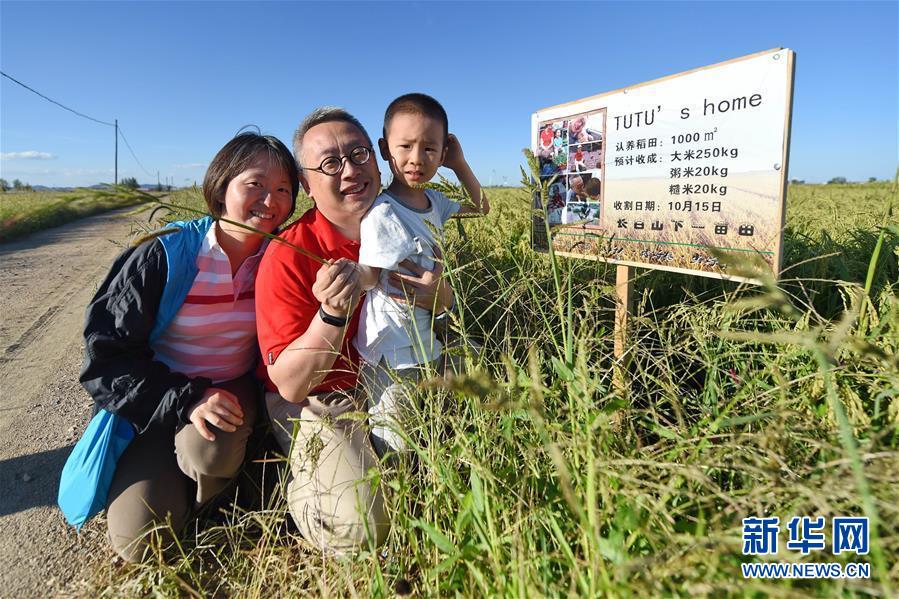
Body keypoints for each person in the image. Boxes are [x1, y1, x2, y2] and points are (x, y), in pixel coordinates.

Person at [79, 132, 299, 562]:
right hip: (157, 399)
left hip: (231, 393)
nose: (269, 200)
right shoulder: (165, 254)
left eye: (283, 190)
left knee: (211, 449)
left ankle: (210, 492)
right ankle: (178, 476)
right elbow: (106, 358)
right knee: (140, 543)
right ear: (222, 186)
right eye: (254, 184)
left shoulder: (282, 258)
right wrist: (188, 400)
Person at [254, 107, 452, 553]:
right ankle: (305, 488)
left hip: (400, 370)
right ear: (306, 184)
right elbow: (289, 383)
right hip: (323, 398)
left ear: (377, 159)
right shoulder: (288, 254)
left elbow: (442, 317)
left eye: (359, 153)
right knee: (360, 526)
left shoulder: (409, 220)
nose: (349, 170)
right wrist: (331, 313)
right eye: (329, 163)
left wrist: (442, 298)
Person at [354, 93, 488, 456]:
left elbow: (481, 206)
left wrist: (458, 165)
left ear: (442, 154)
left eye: (430, 149)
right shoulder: (382, 211)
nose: (417, 158)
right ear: (385, 148)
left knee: (429, 423)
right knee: (396, 440)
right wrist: (352, 277)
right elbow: (370, 274)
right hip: (393, 349)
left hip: (429, 336)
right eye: (406, 146)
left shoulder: (435, 202)